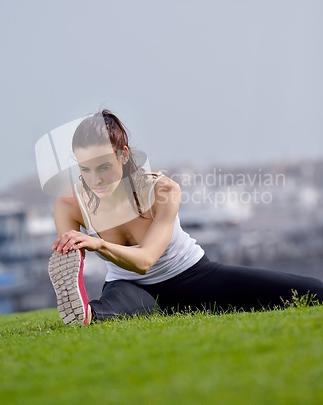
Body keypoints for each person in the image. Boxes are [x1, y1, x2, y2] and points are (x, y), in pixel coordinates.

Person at [49, 110, 323, 325]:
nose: (95, 179)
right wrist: (70, 256)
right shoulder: (69, 206)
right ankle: (88, 314)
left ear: (123, 155)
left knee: (312, 292)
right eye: (85, 169)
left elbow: (145, 260)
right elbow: (73, 267)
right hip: (129, 286)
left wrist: (98, 244)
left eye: (104, 167)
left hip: (191, 276)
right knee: (103, 310)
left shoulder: (163, 190)